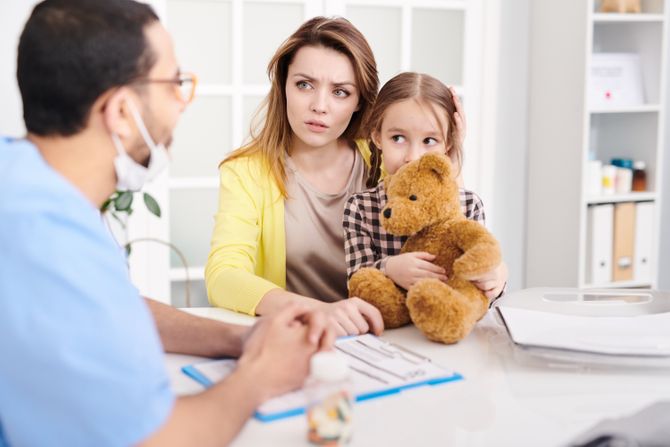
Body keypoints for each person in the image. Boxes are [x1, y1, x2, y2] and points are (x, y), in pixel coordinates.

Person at [0, 1, 335, 445]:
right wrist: (260, 376)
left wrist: (241, 339)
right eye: (175, 83)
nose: (182, 103)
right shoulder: (45, 241)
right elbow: (159, 439)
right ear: (120, 112)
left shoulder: (28, 182)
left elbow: (115, 308)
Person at [204, 17, 386, 336]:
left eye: (341, 92)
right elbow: (223, 275)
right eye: (304, 85)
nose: (319, 106)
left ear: (360, 101)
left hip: (383, 337)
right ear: (284, 86)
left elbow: (439, 238)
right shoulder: (246, 172)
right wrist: (320, 311)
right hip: (295, 338)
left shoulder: (383, 162)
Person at [343, 72, 508, 301]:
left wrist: (494, 278)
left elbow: (479, 287)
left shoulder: (469, 204)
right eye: (398, 138)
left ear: (447, 144)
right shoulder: (360, 207)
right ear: (377, 137)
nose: (413, 156)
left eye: (429, 141)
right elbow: (356, 281)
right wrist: (389, 268)